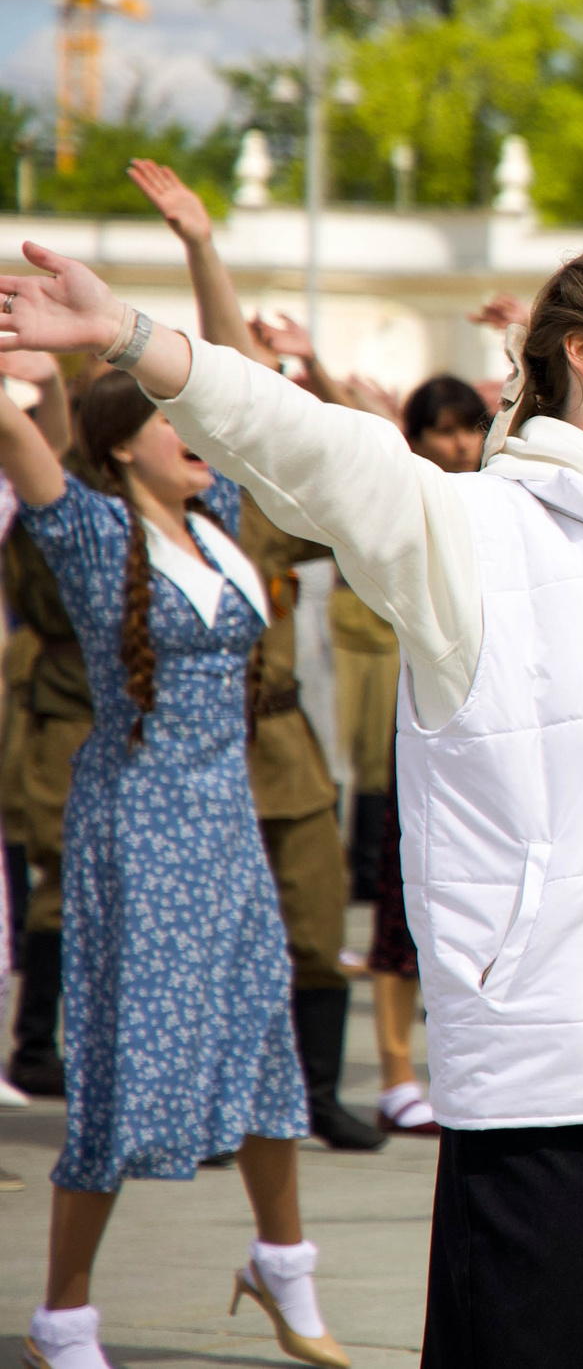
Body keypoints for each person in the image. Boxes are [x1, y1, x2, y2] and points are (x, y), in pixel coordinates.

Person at [0, 151, 583, 1367]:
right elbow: (304, 442)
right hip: (554, 1101)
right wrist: (131, 336)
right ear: (578, 351)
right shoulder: (465, 528)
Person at [0, 364, 344, 1369]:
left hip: (228, 820)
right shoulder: (92, 533)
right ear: (119, 446)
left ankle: (283, 1259)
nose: (197, 432)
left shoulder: (222, 510)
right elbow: (25, 446)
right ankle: (64, 1315)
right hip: (137, 825)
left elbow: (228, 361)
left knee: (263, 1036)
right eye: (170, 422)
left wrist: (198, 243)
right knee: (122, 1062)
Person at [126, 159, 387, 1155]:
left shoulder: (247, 506)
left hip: (284, 742)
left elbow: (237, 380)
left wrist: (201, 245)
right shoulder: (128, 525)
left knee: (317, 931)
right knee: (210, 943)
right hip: (194, 746)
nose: (190, 441)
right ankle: (213, 1104)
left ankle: (315, 1092)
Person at [347, 375, 494, 1138]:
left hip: (490, 727)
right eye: (443, 431)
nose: (461, 444)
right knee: (398, 910)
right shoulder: (411, 499)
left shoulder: (504, 492)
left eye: (473, 428)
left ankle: (451, 1065)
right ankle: (397, 1070)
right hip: (418, 719)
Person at [2, 358, 79, 1104]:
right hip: (56, 695)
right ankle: (31, 1045)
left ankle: (36, 1043)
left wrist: (50, 382)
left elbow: (49, 449)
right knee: (56, 875)